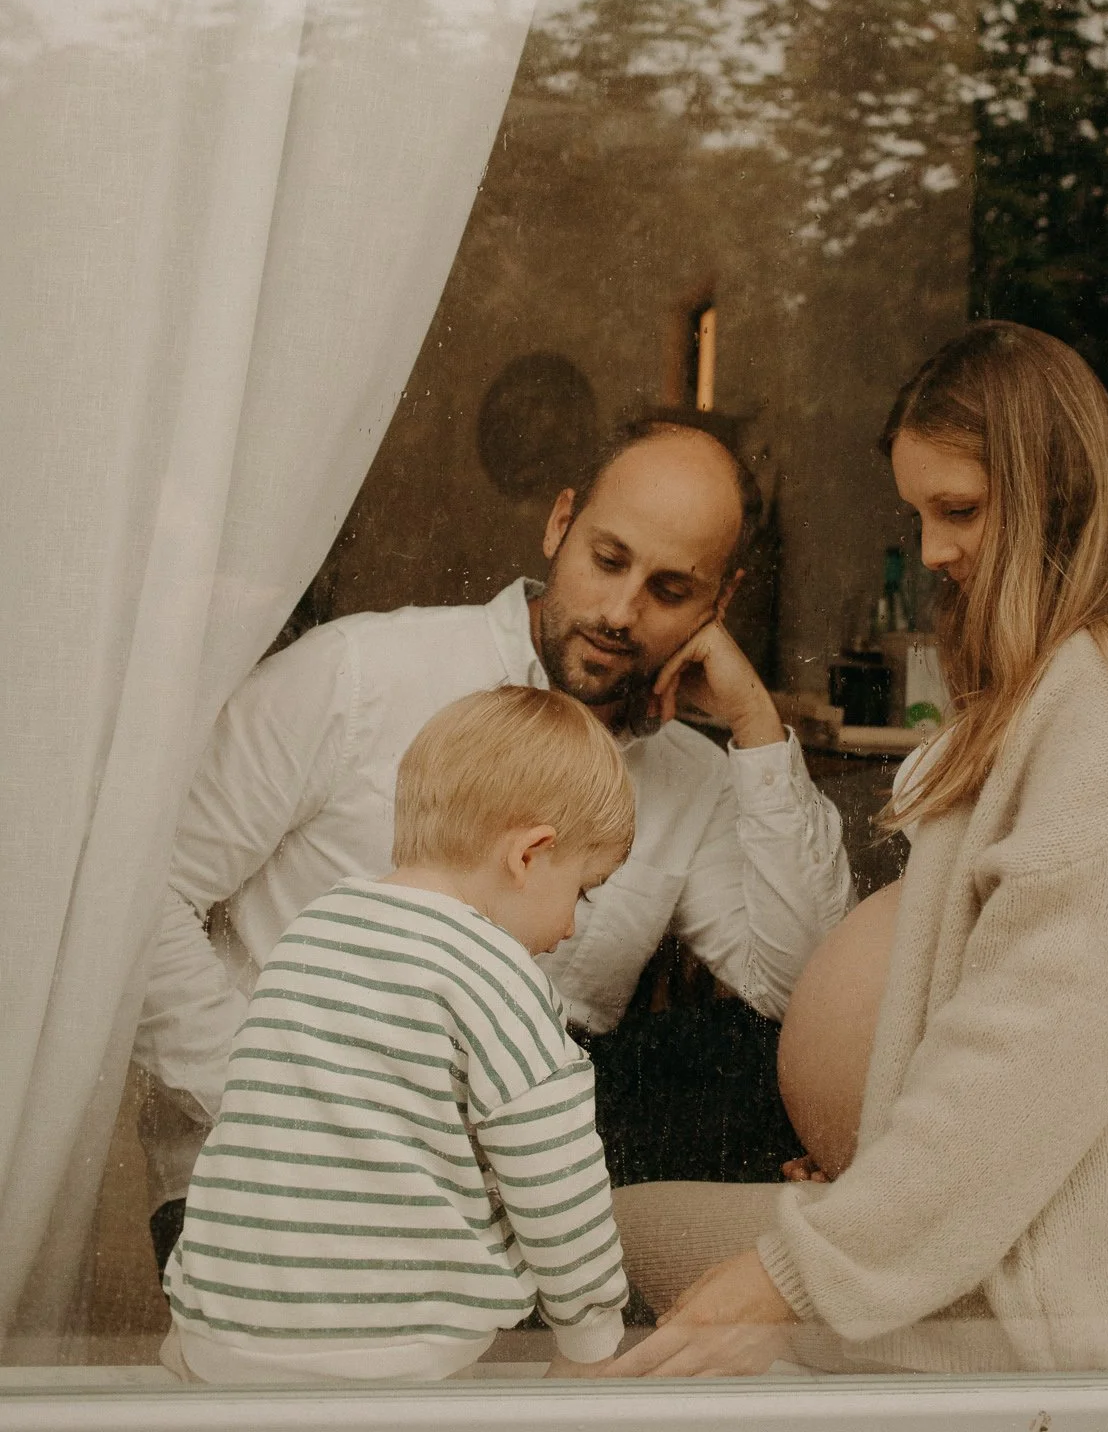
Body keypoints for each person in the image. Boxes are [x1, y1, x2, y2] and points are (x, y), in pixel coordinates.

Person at [604, 322, 1108, 1378]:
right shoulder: (1092, 675)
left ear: (1057, 488)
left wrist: (801, 1271)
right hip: (987, 1241)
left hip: (1042, 1289)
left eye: (957, 509)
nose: (937, 550)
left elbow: (1038, 1051)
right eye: (920, 515)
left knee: (605, 1249)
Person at [136, 414, 852, 1269]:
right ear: (560, 525)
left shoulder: (693, 779)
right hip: (277, 1170)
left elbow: (805, 998)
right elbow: (144, 902)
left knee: (760, 1058)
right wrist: (282, 1112)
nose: (621, 613)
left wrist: (755, 725)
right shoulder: (359, 674)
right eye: (607, 560)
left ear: (718, 602)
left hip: (514, 1197)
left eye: (668, 591)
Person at [161, 685, 634, 1384]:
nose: (569, 927)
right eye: (582, 891)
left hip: (214, 1335)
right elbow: (555, 1178)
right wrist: (589, 1342)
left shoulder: (314, 930)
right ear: (530, 855)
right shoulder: (493, 974)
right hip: (391, 1354)